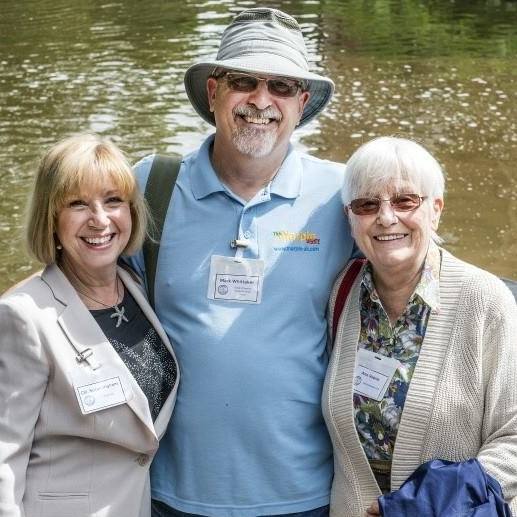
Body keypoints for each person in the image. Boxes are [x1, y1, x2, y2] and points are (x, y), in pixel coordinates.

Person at [128, 7, 355, 517]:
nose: (260, 100)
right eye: (242, 82)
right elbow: (81, 284)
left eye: (280, 85)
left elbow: (416, 274)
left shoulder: (343, 194)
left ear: (301, 102)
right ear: (213, 93)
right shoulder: (150, 185)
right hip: (167, 492)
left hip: (304, 495)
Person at [322, 136, 517, 516]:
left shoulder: (485, 301)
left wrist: (419, 505)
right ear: (350, 217)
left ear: (436, 209)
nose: (386, 217)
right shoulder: (342, 292)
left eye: (404, 201)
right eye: (366, 204)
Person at [0, 134, 180, 517]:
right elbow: (4, 455)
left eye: (113, 201)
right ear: (51, 218)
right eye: (78, 204)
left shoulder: (134, 286)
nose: (100, 220)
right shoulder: (23, 316)